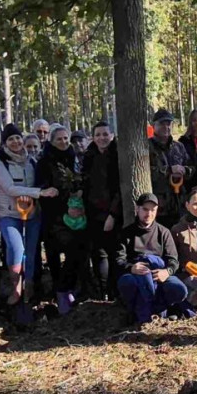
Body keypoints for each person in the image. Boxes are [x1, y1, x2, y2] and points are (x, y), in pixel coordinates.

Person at [0, 123, 55, 308]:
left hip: (32, 213)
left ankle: (30, 287)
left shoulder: (31, 160)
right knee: (16, 249)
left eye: (18, 138)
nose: (16, 142)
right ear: (5, 143)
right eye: (11, 139)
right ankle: (16, 286)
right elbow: (10, 188)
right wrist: (40, 193)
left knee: (31, 251)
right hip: (9, 213)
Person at [115, 194, 191, 324]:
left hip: (159, 275)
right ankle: (142, 312)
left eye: (153, 210)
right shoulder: (126, 233)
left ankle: (158, 308)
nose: (149, 213)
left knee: (180, 290)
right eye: (145, 209)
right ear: (137, 208)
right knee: (127, 283)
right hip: (135, 274)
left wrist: (166, 272)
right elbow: (118, 260)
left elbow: (173, 261)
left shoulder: (164, 232)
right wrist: (131, 268)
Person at [38, 125, 87, 314]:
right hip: (54, 217)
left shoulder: (73, 158)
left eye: (66, 138)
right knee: (55, 256)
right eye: (59, 139)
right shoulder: (44, 162)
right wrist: (64, 207)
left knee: (78, 252)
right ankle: (60, 293)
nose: (64, 142)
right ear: (51, 141)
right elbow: (43, 190)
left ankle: (68, 289)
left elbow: (78, 181)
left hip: (75, 215)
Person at [82, 120, 122, 299]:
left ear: (112, 135)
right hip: (93, 212)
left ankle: (115, 290)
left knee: (114, 252)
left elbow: (121, 187)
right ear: (93, 137)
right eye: (98, 135)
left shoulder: (118, 155)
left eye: (105, 134)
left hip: (114, 211)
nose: (102, 138)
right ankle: (103, 291)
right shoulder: (89, 155)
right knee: (98, 252)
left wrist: (113, 214)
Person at [148, 109, 194, 229]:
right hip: (158, 206)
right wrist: (169, 170)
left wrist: (185, 170)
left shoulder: (179, 147)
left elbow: (192, 168)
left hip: (180, 204)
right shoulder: (147, 147)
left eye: (168, 124)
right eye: (162, 124)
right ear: (154, 125)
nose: (166, 127)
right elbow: (146, 173)